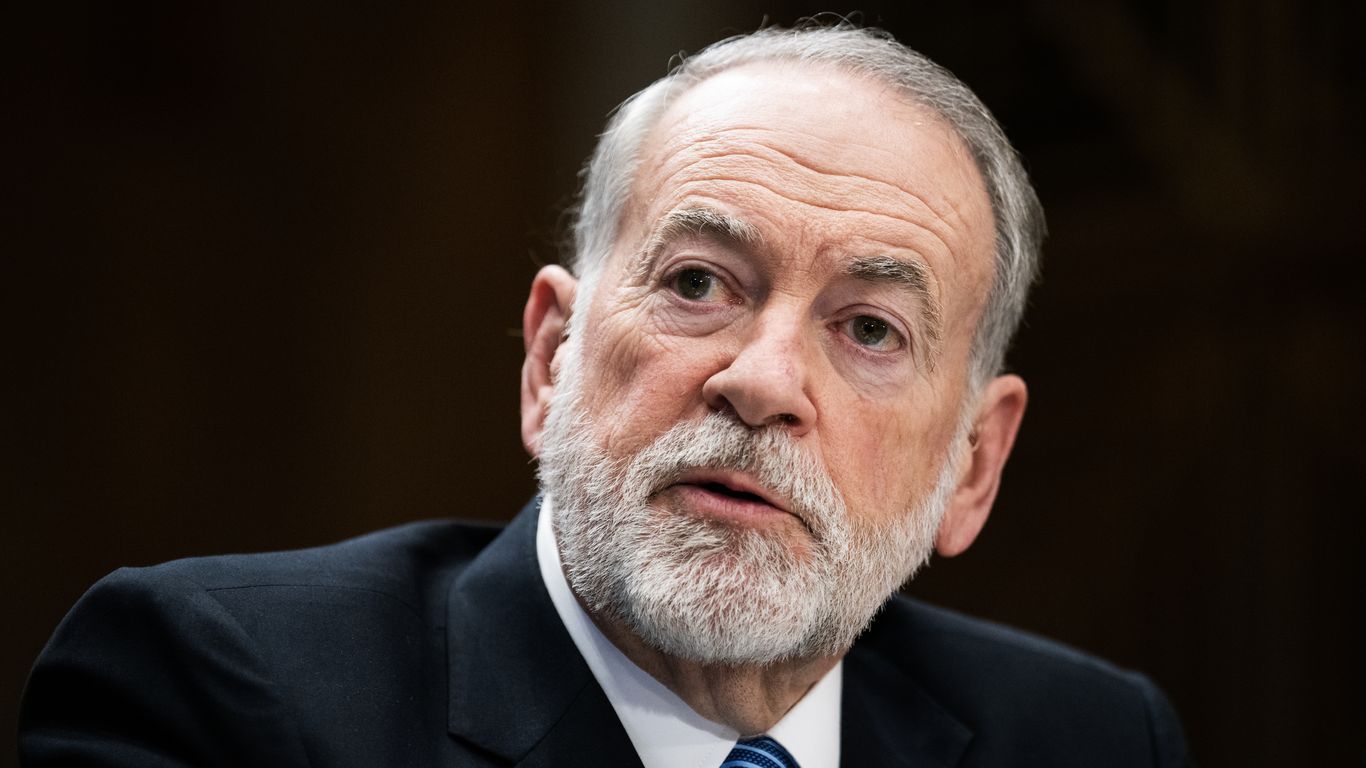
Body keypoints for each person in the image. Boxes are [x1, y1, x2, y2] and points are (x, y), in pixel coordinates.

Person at [20, 23, 1190, 767]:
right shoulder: (221, 695)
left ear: (972, 466)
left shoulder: (1089, 740)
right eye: (698, 284)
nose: (762, 381)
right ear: (550, 360)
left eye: (870, 330)